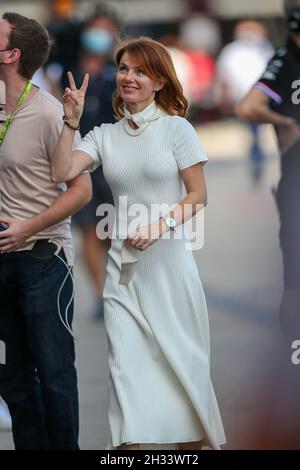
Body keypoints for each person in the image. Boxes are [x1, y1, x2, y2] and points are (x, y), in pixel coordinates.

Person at [52, 37, 226, 450]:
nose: (129, 77)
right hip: (123, 274)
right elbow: (61, 169)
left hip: (169, 269)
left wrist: (159, 225)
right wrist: (70, 122)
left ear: (160, 82)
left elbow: (197, 196)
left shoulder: (177, 129)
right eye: (125, 69)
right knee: (125, 373)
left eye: (141, 71)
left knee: (179, 373)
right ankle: (128, 451)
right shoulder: (104, 135)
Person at [0, 12, 92, 449]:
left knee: (54, 375)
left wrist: (28, 228)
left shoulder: (50, 112)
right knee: (14, 380)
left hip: (42, 259)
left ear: (11, 54)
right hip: (1, 261)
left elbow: (81, 189)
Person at [235, 0, 300, 337]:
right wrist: (285, 121)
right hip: (296, 185)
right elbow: (247, 106)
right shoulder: (285, 61)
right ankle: (292, 358)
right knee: (295, 284)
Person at [65, 6, 119, 319]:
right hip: (81, 165)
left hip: (113, 166)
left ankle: (118, 290)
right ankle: (101, 296)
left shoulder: (120, 71)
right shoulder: (68, 70)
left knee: (113, 232)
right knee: (88, 232)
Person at [217, 20, 274, 183]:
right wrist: (225, 98)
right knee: (254, 132)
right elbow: (225, 77)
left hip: (264, 97)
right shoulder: (231, 51)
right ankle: (257, 163)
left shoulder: (263, 49)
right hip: (243, 98)